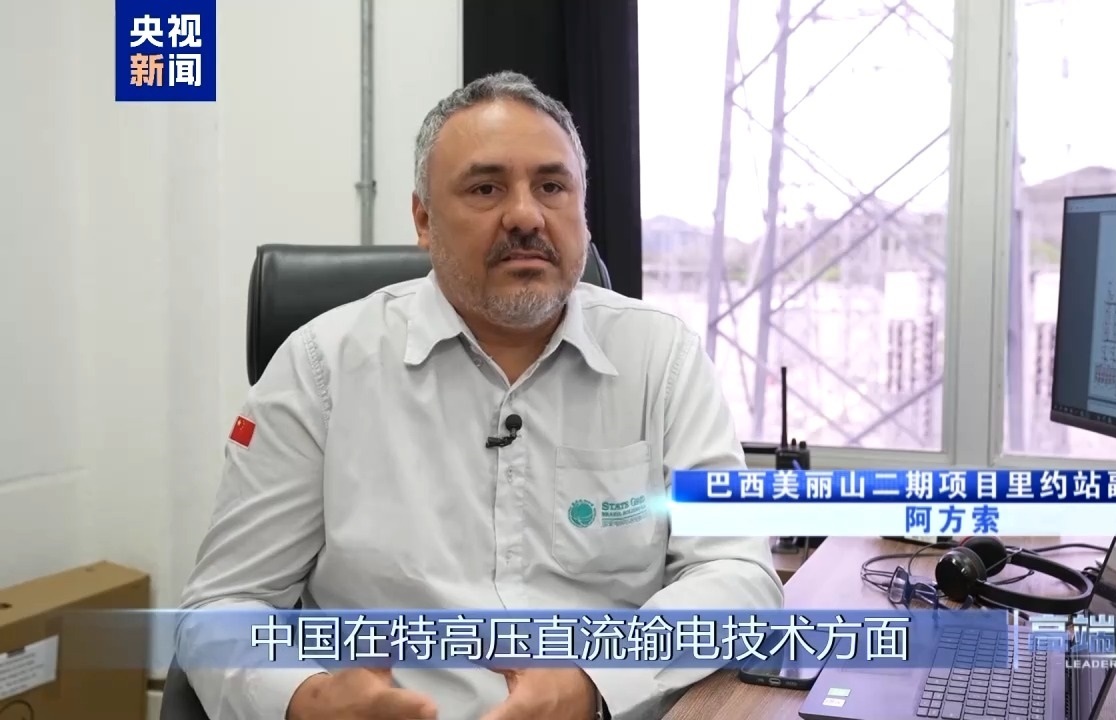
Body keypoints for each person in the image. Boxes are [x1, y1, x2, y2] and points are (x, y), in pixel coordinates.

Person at [176, 71, 784, 720]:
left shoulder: (660, 358)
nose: (525, 215)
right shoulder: (321, 368)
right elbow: (223, 605)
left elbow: (738, 576)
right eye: (486, 188)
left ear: (582, 211)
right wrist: (305, 699)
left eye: (551, 187)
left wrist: (595, 680)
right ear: (423, 219)